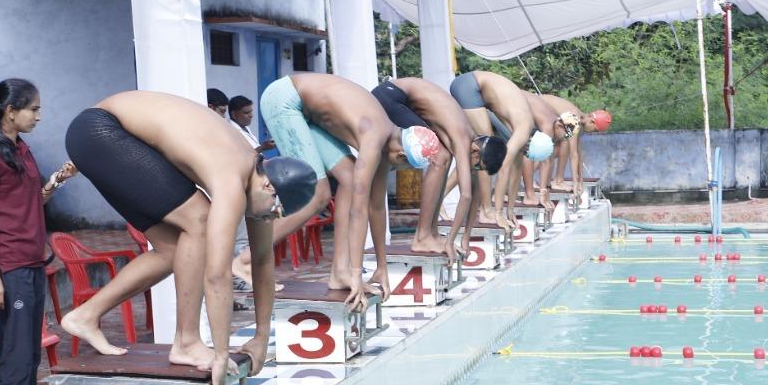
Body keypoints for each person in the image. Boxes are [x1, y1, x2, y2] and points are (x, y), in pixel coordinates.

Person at [62, 91, 318, 385]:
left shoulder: (258, 181)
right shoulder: (231, 177)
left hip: (105, 136)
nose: (268, 220)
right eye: (273, 212)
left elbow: (262, 261)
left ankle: (85, 316)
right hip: (101, 131)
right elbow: (217, 273)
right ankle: (186, 341)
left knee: (175, 249)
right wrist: (221, 353)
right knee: (199, 219)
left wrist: (262, 337)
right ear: (268, 186)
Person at [234, 73, 440, 310]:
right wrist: (357, 275)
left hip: (307, 112)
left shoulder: (390, 140)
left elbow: (375, 206)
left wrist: (382, 267)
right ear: (402, 155)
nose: (394, 170)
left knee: (351, 180)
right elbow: (359, 211)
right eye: (401, 166)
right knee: (317, 194)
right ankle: (245, 260)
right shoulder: (375, 138)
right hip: (285, 100)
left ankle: (339, 271)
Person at [0, 79, 77, 385]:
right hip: (7, 268)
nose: (39, 116)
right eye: (33, 109)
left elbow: (29, 202)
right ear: (10, 112)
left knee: (29, 356)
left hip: (31, 263)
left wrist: (57, 182)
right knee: (14, 360)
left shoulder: (21, 149)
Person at [372, 77, 505, 262]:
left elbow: (474, 193)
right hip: (390, 96)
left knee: (443, 156)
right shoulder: (461, 138)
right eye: (476, 166)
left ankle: (431, 234)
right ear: (476, 151)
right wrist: (451, 241)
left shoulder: (471, 144)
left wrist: (465, 238)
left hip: (402, 99)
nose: (473, 169)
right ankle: (422, 237)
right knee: (440, 156)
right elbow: (465, 195)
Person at [448, 71, 553, 231]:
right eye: (526, 153)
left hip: (479, 92)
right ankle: (486, 210)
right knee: (485, 152)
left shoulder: (524, 132)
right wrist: (498, 213)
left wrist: (509, 209)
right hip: (469, 86)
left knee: (474, 159)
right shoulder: (523, 129)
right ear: (529, 143)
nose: (524, 154)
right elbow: (504, 167)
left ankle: (443, 199)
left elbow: (516, 169)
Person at [544, 95, 611, 202]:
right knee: (565, 142)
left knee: (559, 146)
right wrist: (575, 183)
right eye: (595, 130)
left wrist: (580, 180)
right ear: (592, 121)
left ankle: (555, 180)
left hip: (539, 111)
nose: (593, 133)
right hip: (533, 109)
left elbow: (578, 153)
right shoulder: (575, 119)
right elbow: (573, 154)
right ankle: (558, 181)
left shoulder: (578, 119)